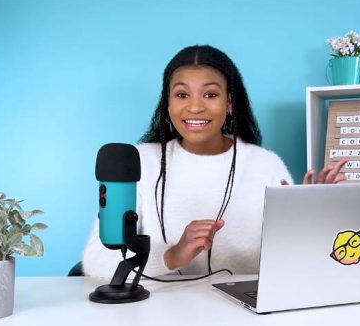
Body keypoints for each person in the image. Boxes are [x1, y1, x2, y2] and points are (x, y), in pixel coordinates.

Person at [82, 45, 346, 278]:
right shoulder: (139, 163)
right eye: (182, 95)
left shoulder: (266, 165)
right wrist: (172, 256)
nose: (195, 108)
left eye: (210, 95)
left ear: (230, 104)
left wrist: (316, 211)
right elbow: (95, 259)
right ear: (168, 104)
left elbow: (297, 261)